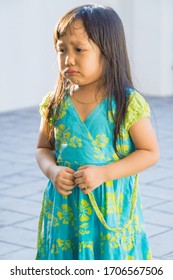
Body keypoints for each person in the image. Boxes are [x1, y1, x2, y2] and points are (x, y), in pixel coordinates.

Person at [35, 4, 159, 260]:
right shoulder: (55, 103)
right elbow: (43, 148)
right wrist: (52, 171)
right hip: (65, 212)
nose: (68, 59)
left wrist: (104, 173)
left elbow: (149, 152)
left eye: (79, 50)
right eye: (61, 50)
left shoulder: (126, 103)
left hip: (110, 213)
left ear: (108, 52)